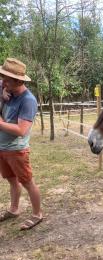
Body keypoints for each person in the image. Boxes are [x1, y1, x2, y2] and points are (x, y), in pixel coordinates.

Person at [0, 57, 43, 230]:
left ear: (18, 81)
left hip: (17, 150)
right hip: (2, 148)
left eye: (6, 79)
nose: (3, 81)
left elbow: (21, 130)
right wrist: (2, 91)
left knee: (27, 182)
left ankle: (37, 214)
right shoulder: (5, 87)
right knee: (12, 180)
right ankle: (14, 209)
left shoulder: (28, 100)